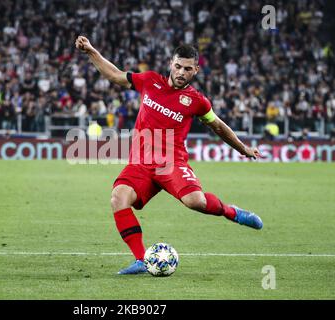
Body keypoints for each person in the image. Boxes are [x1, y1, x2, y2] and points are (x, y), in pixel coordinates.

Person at [75, 36, 263, 275]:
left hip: (171, 163)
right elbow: (114, 75)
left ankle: (231, 212)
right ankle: (141, 260)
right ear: (170, 64)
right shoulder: (149, 80)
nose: (181, 72)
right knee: (118, 198)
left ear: (195, 70)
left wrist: (243, 148)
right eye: (177, 66)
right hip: (141, 163)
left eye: (187, 68)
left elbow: (218, 126)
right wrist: (91, 51)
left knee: (196, 202)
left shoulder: (197, 101)